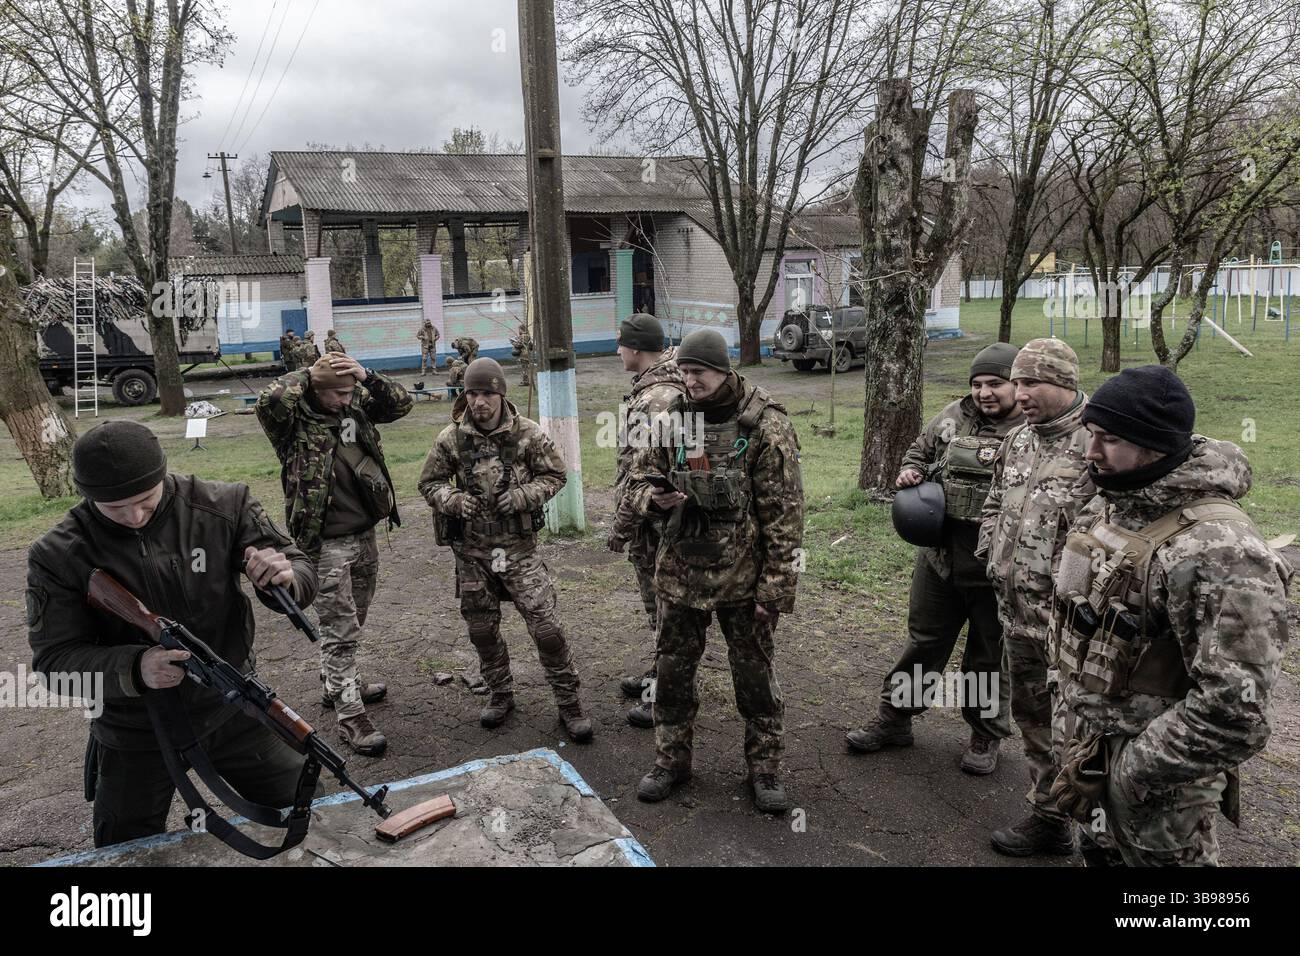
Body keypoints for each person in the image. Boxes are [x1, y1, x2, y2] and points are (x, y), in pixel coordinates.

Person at [27, 421, 318, 847]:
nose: (133, 517)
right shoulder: (58, 553)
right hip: (134, 728)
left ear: (163, 476)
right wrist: (135, 667)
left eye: (145, 500)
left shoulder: (223, 504)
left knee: (314, 815)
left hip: (232, 705)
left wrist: (284, 577)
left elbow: (297, 566)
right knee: (122, 850)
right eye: (113, 508)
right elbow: (55, 663)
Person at [1047, 366, 1291, 866]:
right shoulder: (1116, 499)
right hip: (1090, 751)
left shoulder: (1220, 551)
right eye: (1091, 435)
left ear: (1155, 445)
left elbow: (1234, 712)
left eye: (1109, 440)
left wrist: (1132, 774)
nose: (1090, 453)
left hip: (1158, 789)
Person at [624, 329, 804, 813]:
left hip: (743, 581)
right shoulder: (670, 420)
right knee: (672, 673)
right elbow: (636, 483)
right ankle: (671, 760)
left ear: (723, 371)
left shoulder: (764, 425)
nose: (688, 381)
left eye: (697, 372)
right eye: (683, 372)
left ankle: (764, 767)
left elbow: (784, 515)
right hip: (680, 575)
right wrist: (652, 498)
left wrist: (776, 589)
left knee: (755, 679)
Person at [846, 343, 1023, 773]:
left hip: (996, 570)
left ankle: (984, 734)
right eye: (978, 384)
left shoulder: (1030, 431)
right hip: (941, 559)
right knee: (924, 643)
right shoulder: (952, 417)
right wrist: (910, 472)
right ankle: (895, 719)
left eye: (995, 384)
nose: (984, 392)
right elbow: (918, 453)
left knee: (987, 652)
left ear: (1016, 385)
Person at [418, 357, 594, 742]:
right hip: (472, 553)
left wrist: (524, 496)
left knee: (547, 630)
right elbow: (429, 482)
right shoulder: (451, 438)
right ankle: (500, 694)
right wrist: (452, 500)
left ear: (501, 394)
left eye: (487, 393)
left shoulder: (527, 435)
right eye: (472, 393)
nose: (479, 401)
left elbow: (556, 474)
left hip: (518, 551)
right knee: (482, 629)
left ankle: (569, 703)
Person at [255, 352, 413, 755]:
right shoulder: (290, 423)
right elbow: (268, 400)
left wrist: (365, 374)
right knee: (339, 629)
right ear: (315, 389)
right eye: (337, 393)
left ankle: (336, 684)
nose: (346, 399)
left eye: (350, 392)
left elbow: (400, 404)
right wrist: (309, 372)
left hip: (365, 534)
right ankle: (350, 714)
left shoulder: (354, 408)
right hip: (323, 543)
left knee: (355, 617)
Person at [977, 337, 1092, 857]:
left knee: (1082, 731)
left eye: (1031, 383)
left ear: (1064, 383)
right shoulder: (1019, 440)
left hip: (1073, 629)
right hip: (1017, 614)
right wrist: (990, 550)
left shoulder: (1098, 444)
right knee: (1033, 717)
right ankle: (1049, 817)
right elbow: (996, 500)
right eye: (1017, 382)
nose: (1019, 393)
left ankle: (1099, 831)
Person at [606, 313, 684, 728]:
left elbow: (644, 473)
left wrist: (621, 528)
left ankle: (664, 698)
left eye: (621, 343)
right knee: (659, 612)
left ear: (636, 348)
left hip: (654, 526)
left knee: (665, 615)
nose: (617, 350)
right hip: (650, 521)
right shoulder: (656, 388)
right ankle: (658, 677)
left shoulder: (655, 398)